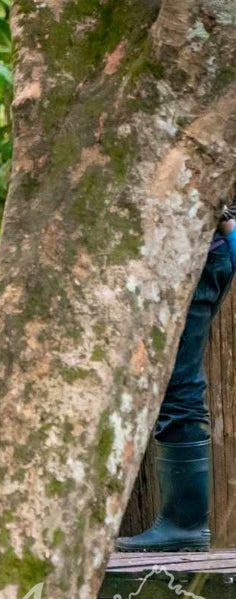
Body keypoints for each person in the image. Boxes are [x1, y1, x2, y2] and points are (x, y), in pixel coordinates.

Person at [117, 195, 236, 552]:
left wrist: (223, 220)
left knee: (177, 381)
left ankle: (184, 523)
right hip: (197, 250)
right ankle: (181, 523)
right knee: (168, 378)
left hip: (196, 254)